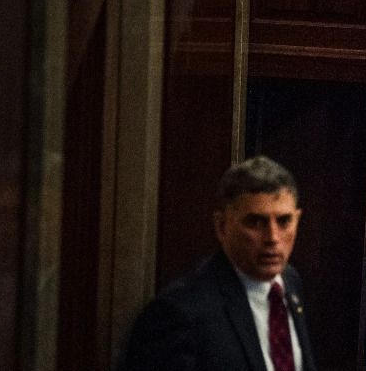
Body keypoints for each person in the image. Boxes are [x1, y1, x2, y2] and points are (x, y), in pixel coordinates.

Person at [118, 156, 315, 371]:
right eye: (255, 222)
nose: (273, 238)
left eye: (284, 221)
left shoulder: (290, 283)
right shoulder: (178, 314)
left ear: (298, 219)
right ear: (222, 226)